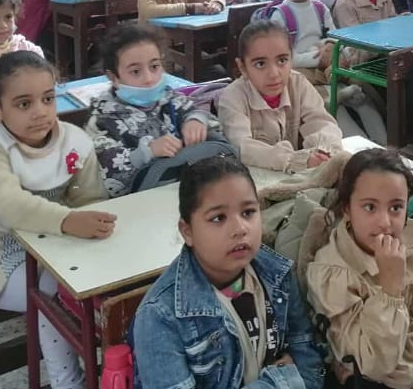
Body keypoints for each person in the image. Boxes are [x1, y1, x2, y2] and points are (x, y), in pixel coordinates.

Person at [0, 52, 112, 389]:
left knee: (108, 285)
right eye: (24, 104)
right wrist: (69, 221)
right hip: (2, 257)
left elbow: (90, 200)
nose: (40, 111)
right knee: (57, 291)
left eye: (48, 98)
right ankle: (67, 381)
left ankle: (118, 370)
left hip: (60, 247)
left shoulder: (73, 140)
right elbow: (7, 205)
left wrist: (85, 227)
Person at [131, 156, 325, 389]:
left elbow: (310, 368)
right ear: (187, 231)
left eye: (248, 212)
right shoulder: (159, 316)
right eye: (218, 218)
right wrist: (281, 381)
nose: (240, 229)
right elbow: (296, 378)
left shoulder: (278, 273)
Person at [306, 149, 413, 389]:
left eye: (396, 208)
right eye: (370, 207)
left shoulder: (412, 239)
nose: (385, 222)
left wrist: (400, 366)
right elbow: (373, 365)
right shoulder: (331, 273)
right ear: (347, 208)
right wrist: (390, 289)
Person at [85, 24, 235, 197]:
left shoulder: (168, 98)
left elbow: (197, 113)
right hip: (142, 203)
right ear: (113, 77)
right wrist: (147, 152)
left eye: (154, 67)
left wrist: (195, 120)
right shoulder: (102, 119)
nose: (149, 79)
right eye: (135, 71)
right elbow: (104, 171)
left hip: (187, 191)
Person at [271, 0, 386, 144]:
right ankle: (361, 147)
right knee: (330, 106)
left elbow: (335, 37)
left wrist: (337, 50)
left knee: (362, 97)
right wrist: (319, 58)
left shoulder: (320, 8)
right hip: (301, 70)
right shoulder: (281, 14)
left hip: (327, 66)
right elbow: (285, 58)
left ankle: (383, 144)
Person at [217, 21, 343, 173]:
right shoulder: (232, 98)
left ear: (292, 59)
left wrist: (323, 151)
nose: (274, 74)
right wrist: (297, 160)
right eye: (260, 64)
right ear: (242, 67)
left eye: (282, 61)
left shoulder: (298, 84)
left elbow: (322, 123)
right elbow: (243, 147)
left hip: (297, 175)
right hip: (254, 179)